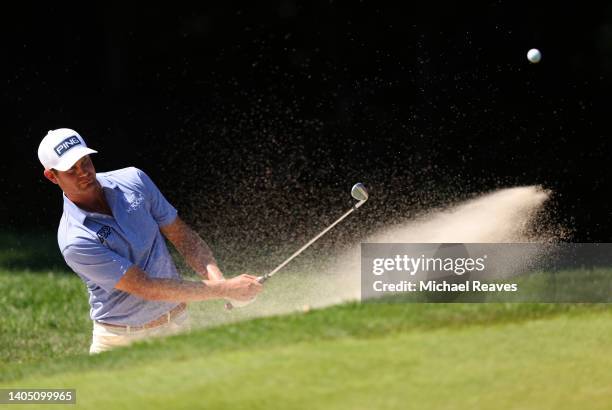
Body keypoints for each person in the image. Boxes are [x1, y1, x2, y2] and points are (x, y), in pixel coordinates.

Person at [37, 128, 262, 354]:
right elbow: (146, 287)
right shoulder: (74, 239)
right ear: (52, 176)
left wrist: (221, 282)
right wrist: (225, 288)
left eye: (85, 161)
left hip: (178, 325)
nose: (83, 172)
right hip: (120, 341)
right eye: (71, 170)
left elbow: (182, 237)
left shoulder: (133, 180)